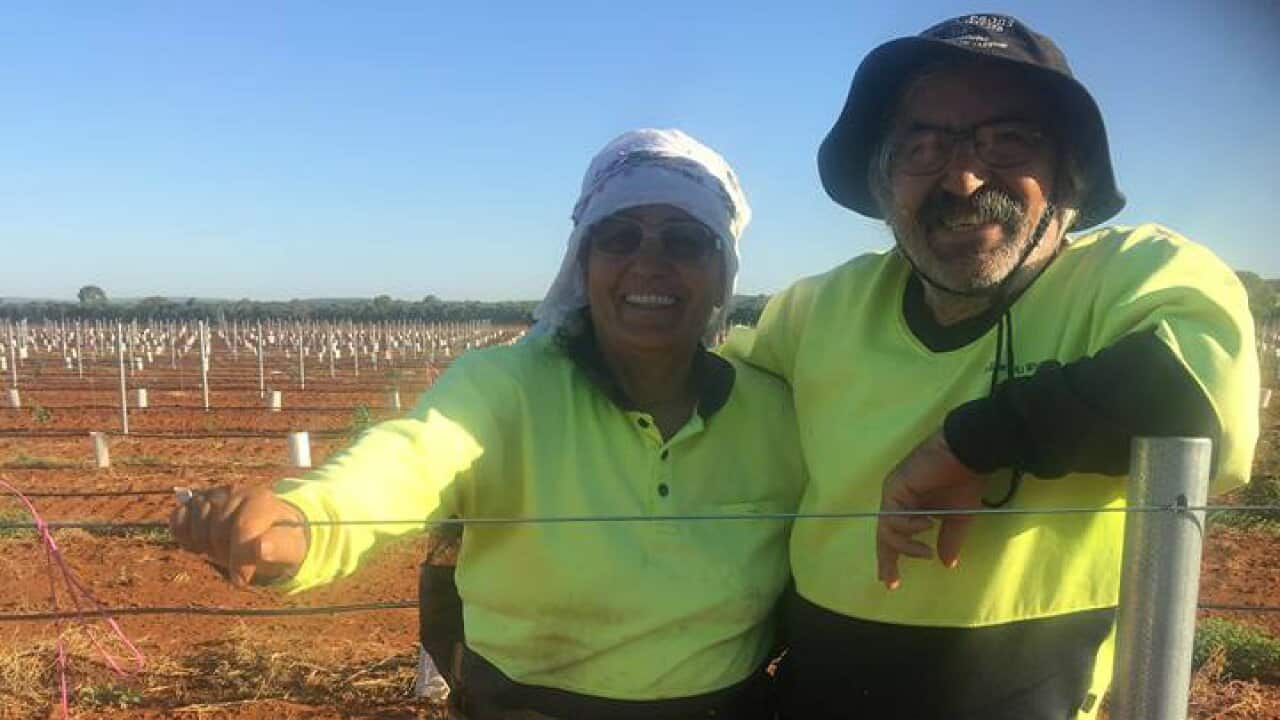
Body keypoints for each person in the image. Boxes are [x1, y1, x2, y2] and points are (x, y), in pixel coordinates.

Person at [722, 13, 1260, 720]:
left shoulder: (1134, 278)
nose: (965, 176)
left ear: (1069, 170)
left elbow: (1201, 395)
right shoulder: (817, 308)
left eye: (1007, 141)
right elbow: (709, 416)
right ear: (883, 182)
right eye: (922, 144)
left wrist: (969, 444)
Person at [169, 128, 805, 720]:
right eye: (618, 237)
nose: (649, 263)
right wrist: (301, 524)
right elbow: (406, 462)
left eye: (684, 240)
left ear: (724, 271)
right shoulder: (504, 387)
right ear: (583, 265)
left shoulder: (774, 409)